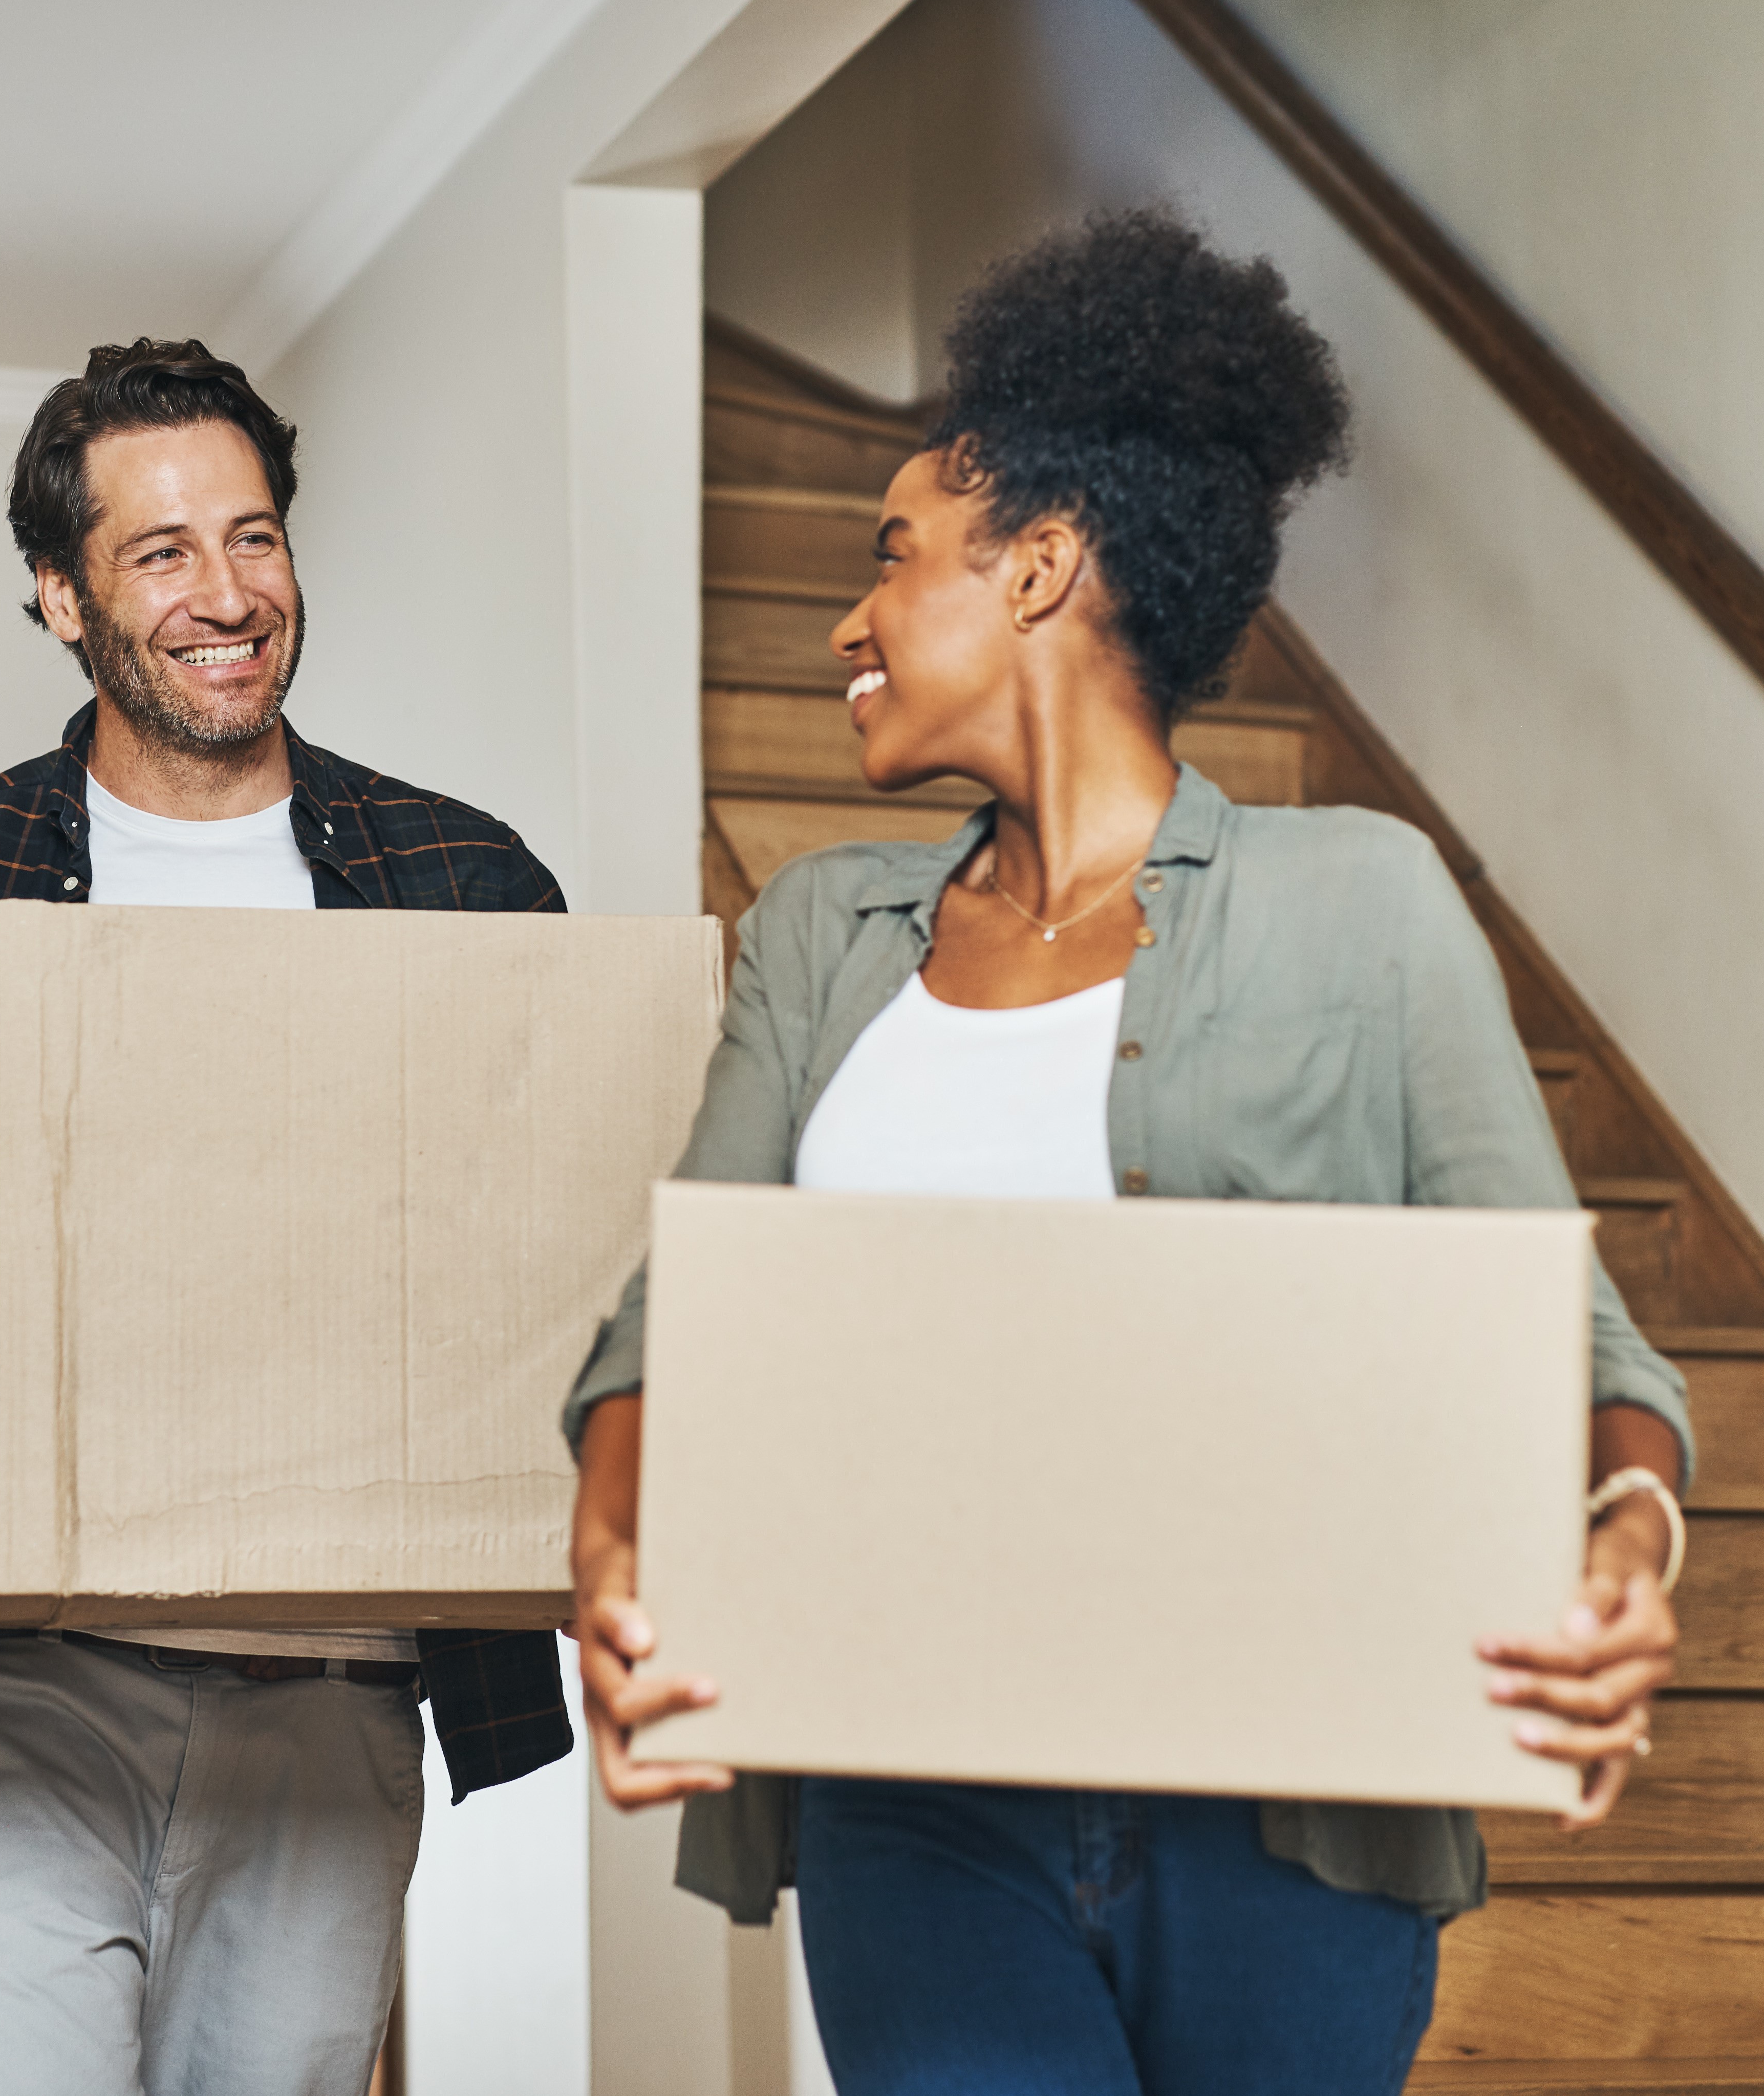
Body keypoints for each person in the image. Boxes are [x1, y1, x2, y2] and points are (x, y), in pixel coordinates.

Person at [563, 214, 1691, 2094]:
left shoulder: (1365, 901)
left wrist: (1625, 1538)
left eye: (893, 556)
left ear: (1044, 566)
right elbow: (672, 1318)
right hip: (904, 1796)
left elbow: (1581, 1349)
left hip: (1292, 1821)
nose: (849, 620)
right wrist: (610, 1545)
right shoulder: (819, 933)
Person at [0, 338, 574, 2096]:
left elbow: (555, 1266)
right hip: (11, 1678)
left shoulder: (470, 882)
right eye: (160, 552)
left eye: (254, 538)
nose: (226, 595)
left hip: (337, 1688)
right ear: (60, 597)